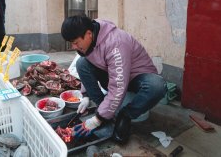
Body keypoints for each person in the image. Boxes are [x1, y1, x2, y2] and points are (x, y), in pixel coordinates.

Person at [61, 15, 167, 143]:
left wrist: (97, 119)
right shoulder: (90, 39)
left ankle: (125, 115)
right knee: (81, 63)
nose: (74, 47)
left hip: (137, 77)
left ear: (88, 34)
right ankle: (104, 109)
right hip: (115, 75)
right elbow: (93, 67)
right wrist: (86, 95)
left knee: (157, 85)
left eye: (76, 42)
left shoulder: (116, 43)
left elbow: (118, 85)